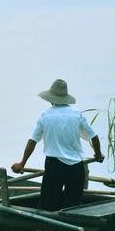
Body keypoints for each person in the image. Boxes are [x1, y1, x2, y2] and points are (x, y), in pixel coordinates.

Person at [11, 79, 104, 211]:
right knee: (73, 206)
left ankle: (46, 228)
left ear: (51, 99)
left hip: (54, 166)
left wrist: (22, 163)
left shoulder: (46, 115)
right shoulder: (77, 114)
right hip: (76, 167)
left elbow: (33, 140)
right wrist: (98, 154)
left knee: (48, 205)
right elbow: (94, 137)